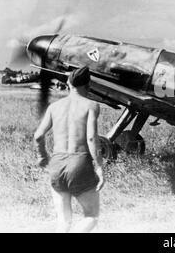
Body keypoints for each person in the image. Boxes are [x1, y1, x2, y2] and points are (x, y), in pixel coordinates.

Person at [33, 66, 104, 233]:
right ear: (88, 85)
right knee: (91, 216)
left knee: (63, 222)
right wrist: (100, 167)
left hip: (56, 164)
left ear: (68, 83)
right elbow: (92, 138)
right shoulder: (91, 105)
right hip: (80, 163)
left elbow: (38, 136)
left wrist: (42, 156)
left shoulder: (54, 107)